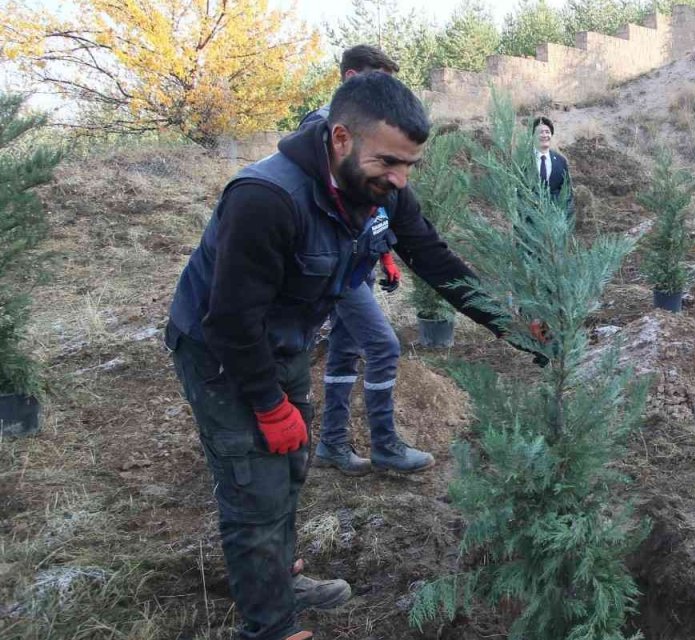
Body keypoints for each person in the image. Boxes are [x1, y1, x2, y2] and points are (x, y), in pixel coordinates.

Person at [166, 72, 523, 640]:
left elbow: (434, 258)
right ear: (340, 139)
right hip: (219, 351)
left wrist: (513, 326)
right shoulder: (264, 199)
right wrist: (264, 402)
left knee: (288, 469)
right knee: (253, 483)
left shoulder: (382, 190)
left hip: (284, 340)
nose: (401, 179)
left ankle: (278, 578)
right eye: (389, 162)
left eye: (410, 165)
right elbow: (231, 319)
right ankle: (270, 627)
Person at [299, 45, 431, 476]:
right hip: (334, 269)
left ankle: (332, 444)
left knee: (345, 349)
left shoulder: (372, 134)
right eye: (378, 79)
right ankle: (385, 443)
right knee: (383, 345)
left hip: (358, 262)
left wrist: (385, 253)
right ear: (351, 76)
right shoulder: (325, 133)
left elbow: (372, 206)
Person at [531, 115, 573, 219]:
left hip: (555, 222)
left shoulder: (561, 161)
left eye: (547, 132)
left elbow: (567, 192)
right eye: (540, 132)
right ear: (532, 136)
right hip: (529, 222)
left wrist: (565, 218)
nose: (544, 135)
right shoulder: (523, 160)